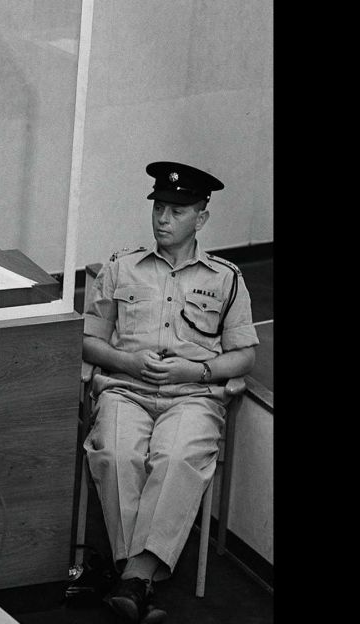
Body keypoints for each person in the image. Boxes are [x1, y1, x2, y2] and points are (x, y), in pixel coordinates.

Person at [81, 162, 258, 623]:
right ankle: (141, 579)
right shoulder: (121, 267)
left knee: (176, 458)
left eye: (177, 211)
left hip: (192, 397)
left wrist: (197, 371)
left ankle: (130, 577)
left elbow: (243, 356)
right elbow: (88, 339)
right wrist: (128, 362)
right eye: (159, 207)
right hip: (125, 389)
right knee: (117, 454)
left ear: (200, 218)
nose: (162, 218)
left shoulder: (226, 279)